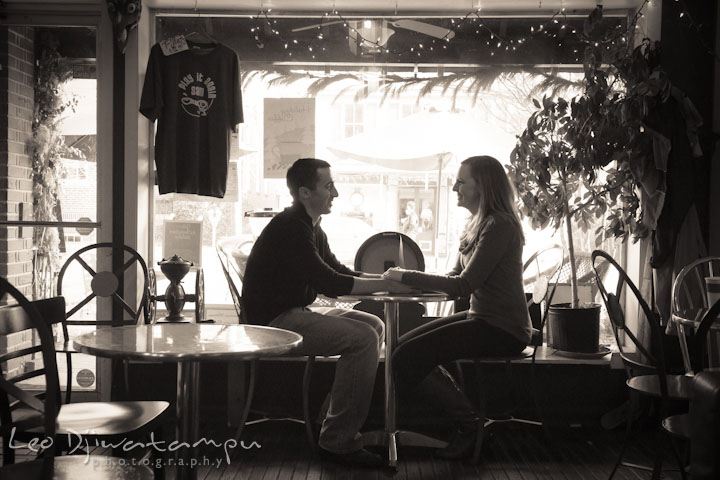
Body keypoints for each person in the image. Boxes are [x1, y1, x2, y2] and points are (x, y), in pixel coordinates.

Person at [242, 158, 412, 467]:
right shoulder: (293, 227)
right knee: (362, 340)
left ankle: (329, 422)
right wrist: (388, 286)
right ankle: (338, 442)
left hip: (294, 312)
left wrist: (387, 281)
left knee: (373, 325)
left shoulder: (309, 225)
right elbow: (328, 283)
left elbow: (337, 269)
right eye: (329, 186)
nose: (336, 192)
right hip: (271, 324)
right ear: (305, 192)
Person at [383, 155, 531, 459]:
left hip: (505, 328)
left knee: (406, 357)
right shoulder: (478, 224)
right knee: (400, 349)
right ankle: (469, 421)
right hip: (484, 318)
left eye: (461, 181)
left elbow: (463, 285)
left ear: (483, 186)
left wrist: (406, 275)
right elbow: (454, 277)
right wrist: (406, 282)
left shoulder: (500, 225)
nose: (454, 188)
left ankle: (471, 425)